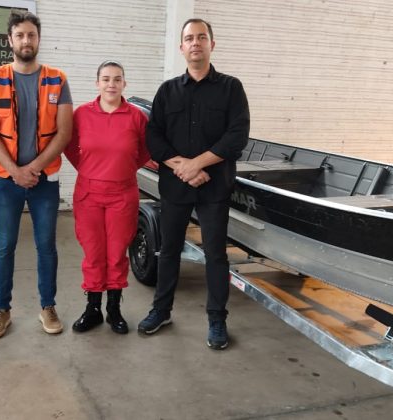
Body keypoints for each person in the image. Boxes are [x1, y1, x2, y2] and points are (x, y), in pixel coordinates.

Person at [138, 18, 250, 350]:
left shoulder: (231, 88)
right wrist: (183, 168)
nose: (195, 43)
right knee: (168, 250)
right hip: (176, 186)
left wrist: (196, 164)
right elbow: (154, 137)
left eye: (201, 37)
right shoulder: (167, 91)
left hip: (214, 187)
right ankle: (161, 311)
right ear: (182, 47)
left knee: (216, 255)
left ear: (211, 44)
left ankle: (217, 319)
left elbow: (237, 136)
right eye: (189, 38)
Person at [0, 10, 73, 338]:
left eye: (31, 35)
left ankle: (48, 306)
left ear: (38, 39)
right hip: (6, 181)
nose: (26, 40)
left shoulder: (57, 79)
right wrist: (15, 171)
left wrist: (32, 169)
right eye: (19, 35)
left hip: (44, 181)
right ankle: (1, 309)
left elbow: (64, 132)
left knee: (46, 245)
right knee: (4, 246)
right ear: (10, 40)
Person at [65, 61, 149, 334]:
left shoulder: (136, 117)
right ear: (97, 83)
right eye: (106, 79)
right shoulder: (82, 114)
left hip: (123, 194)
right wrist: (88, 169)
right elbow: (69, 145)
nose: (111, 84)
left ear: (124, 83)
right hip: (89, 193)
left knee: (116, 253)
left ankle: (113, 309)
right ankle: (92, 309)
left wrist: (124, 168)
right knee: (93, 252)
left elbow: (146, 150)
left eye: (117, 79)